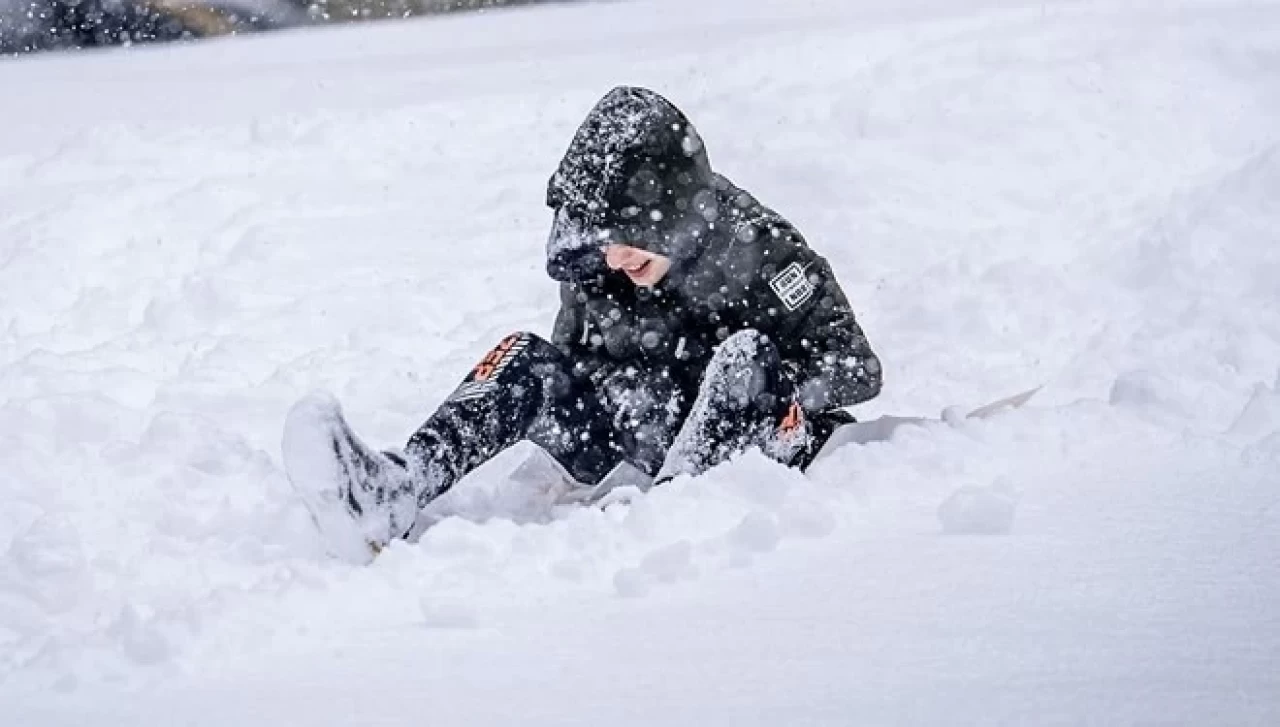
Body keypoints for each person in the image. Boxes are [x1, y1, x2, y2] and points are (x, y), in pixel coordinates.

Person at [282, 86, 882, 563]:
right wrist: (613, 401)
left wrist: (784, 396)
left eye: (628, 242)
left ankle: (680, 513)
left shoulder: (760, 247)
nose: (615, 260)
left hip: (758, 448)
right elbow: (576, 357)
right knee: (525, 357)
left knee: (745, 355)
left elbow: (855, 365)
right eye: (604, 246)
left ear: (670, 217)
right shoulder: (598, 265)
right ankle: (396, 492)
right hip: (646, 434)